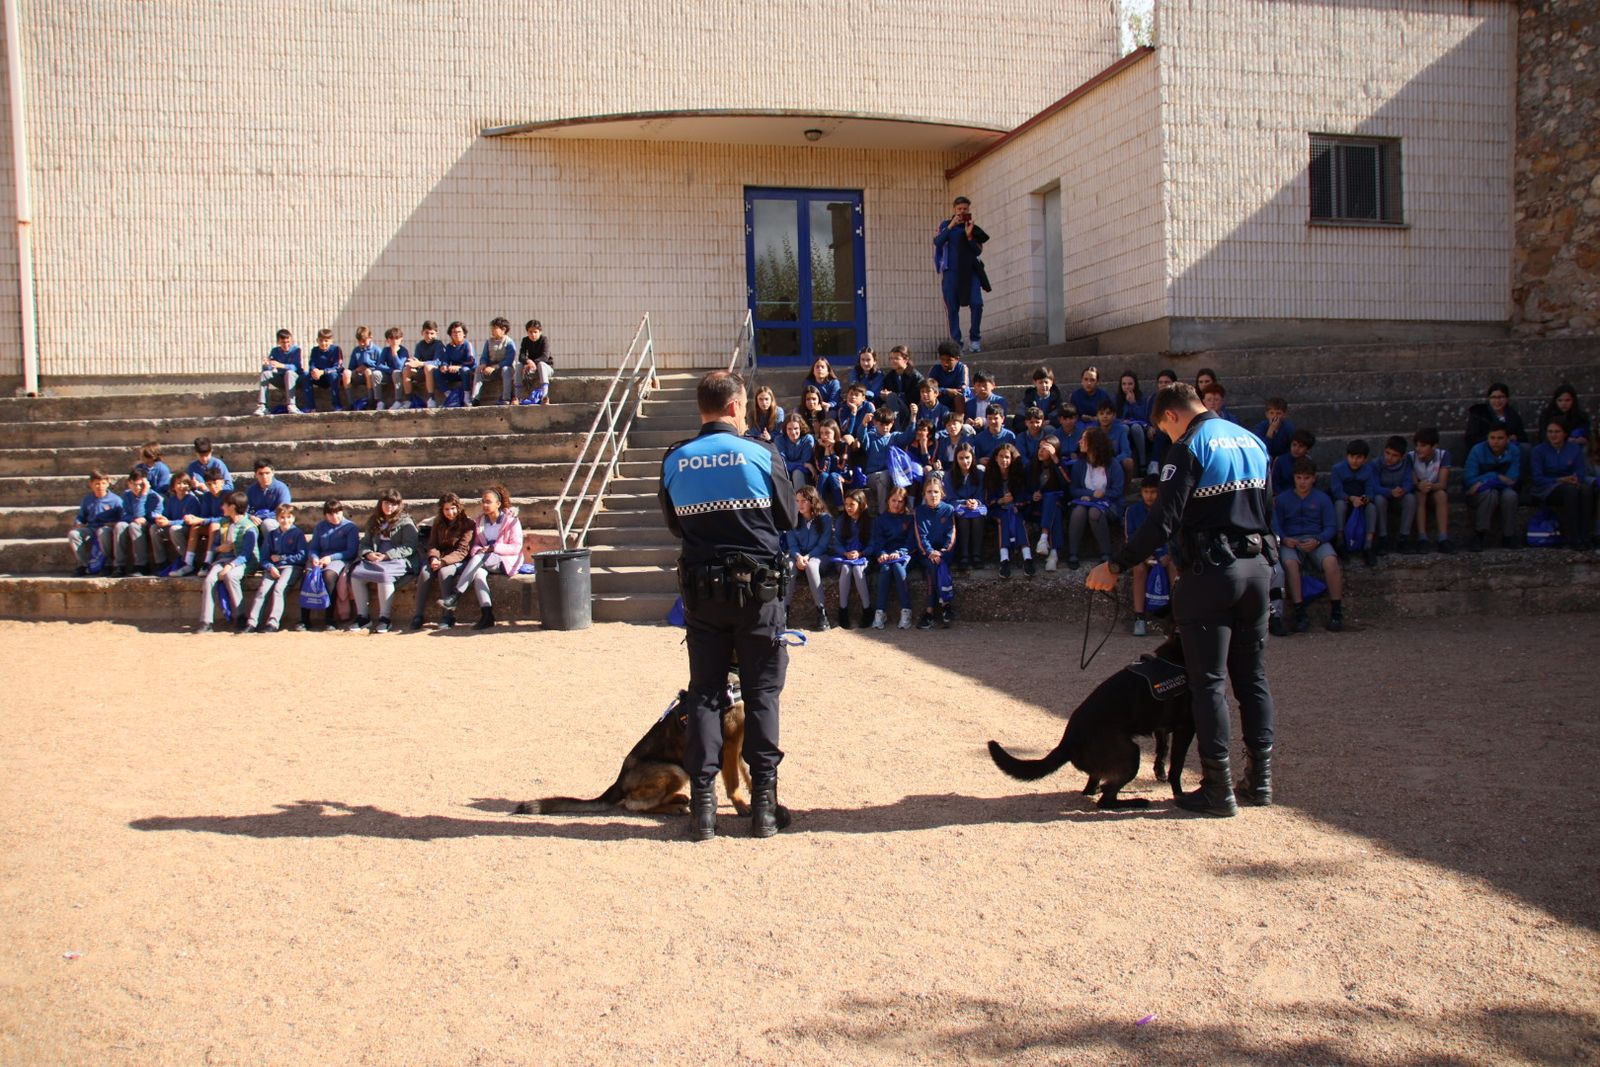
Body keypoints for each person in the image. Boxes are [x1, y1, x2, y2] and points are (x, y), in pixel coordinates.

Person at [1086, 382, 1277, 818]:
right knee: (1252, 677)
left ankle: (1218, 788)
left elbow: (1161, 522)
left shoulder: (1190, 446)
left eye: (1164, 430)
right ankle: (1260, 779)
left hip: (1211, 573)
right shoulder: (1252, 440)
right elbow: (1268, 511)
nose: (1167, 438)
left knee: (1207, 682)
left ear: (1171, 415)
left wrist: (1114, 566)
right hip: (1257, 568)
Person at [658, 370, 797, 840]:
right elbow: (788, 516)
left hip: (702, 597)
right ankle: (763, 807)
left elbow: (676, 526)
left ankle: (703, 810)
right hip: (758, 597)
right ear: (738, 406)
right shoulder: (762, 453)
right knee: (761, 696)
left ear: (701, 408)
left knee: (704, 695)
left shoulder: (675, 458)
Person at [1273, 458, 1344, 635]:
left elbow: (1330, 526)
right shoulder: (1282, 500)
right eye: (1299, 477)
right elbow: (1275, 525)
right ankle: (1299, 611)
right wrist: (1284, 538)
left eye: (1306, 478)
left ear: (1313, 479)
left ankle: (1336, 610)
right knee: (1290, 564)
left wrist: (1318, 540)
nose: (1302, 482)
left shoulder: (1322, 499)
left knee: (1331, 562)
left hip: (1316, 539)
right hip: (1292, 540)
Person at [441, 484, 524, 631]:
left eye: (488, 502)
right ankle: (487, 615)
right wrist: (480, 550)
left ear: (498, 504)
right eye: (483, 501)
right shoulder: (480, 522)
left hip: (505, 561)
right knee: (478, 574)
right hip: (484, 561)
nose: (484, 505)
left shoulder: (511, 521)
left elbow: (516, 547)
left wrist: (494, 548)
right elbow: (476, 545)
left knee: (479, 560)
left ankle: (455, 595)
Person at [348, 487, 419, 632]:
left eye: (393, 504)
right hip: (376, 557)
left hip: (399, 559)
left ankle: (384, 618)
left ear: (398, 505)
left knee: (384, 575)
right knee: (356, 574)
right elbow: (365, 542)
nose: (389, 507)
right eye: (386, 503)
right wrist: (368, 554)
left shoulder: (405, 522)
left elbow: (409, 547)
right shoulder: (374, 521)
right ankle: (363, 616)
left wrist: (387, 556)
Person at [410, 492, 475, 631]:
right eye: (446, 509)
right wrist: (433, 557)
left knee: (444, 573)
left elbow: (462, 551)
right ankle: (418, 614)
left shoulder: (468, 524)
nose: (450, 512)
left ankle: (448, 615)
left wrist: (443, 562)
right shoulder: (438, 522)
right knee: (425, 573)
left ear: (458, 507)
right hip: (439, 558)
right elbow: (433, 544)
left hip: (457, 559)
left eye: (453, 508)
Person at [933, 195, 989, 352]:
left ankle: (975, 339)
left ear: (969, 210)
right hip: (951, 273)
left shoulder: (972, 227)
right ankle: (957, 343)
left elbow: (977, 250)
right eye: (959, 209)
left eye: (965, 209)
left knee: (977, 304)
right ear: (954, 210)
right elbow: (937, 242)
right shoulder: (946, 225)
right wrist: (951, 225)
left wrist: (970, 235)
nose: (962, 212)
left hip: (970, 273)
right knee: (952, 308)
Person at [1125, 474, 1179, 637]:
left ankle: (1176, 617)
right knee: (1138, 569)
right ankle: (1139, 617)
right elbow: (1130, 538)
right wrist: (1143, 556)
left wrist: (1168, 555)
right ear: (1141, 492)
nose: (1149, 496)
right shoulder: (1133, 511)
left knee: (1174, 567)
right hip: (1143, 555)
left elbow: (1176, 536)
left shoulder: (1170, 509)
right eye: (1146, 492)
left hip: (1166, 554)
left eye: (1153, 492)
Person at [197, 490, 259, 632]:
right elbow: (214, 546)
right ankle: (206, 621)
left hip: (243, 562)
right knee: (209, 580)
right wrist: (220, 548)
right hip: (224, 560)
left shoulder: (249, 527)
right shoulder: (224, 523)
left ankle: (241, 615)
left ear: (232, 507)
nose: (222, 507)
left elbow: (246, 554)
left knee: (231, 576)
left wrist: (230, 566)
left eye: (225, 505)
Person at [1531, 420, 1595, 550]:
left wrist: (1574, 479)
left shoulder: (1574, 449)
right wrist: (1560, 480)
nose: (1553, 435)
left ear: (1565, 434)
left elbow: (1580, 472)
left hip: (1571, 483)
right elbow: (1538, 478)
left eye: (1557, 432)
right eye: (1550, 432)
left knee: (1586, 489)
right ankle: (1574, 537)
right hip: (1547, 488)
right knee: (1570, 491)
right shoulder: (1538, 451)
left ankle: (1586, 536)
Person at [1067, 427, 1124, 568]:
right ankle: (1072, 554)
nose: (1079, 442)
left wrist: (1102, 495)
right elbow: (1073, 489)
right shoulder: (1080, 464)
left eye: (1084, 440)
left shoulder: (1112, 464)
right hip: (1085, 501)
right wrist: (1091, 495)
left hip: (1109, 504)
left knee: (1094, 512)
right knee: (1079, 511)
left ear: (1094, 443)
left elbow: (1117, 490)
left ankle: (1106, 553)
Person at [246, 502, 307, 632]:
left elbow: (302, 556)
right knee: (263, 589)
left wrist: (283, 558)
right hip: (273, 568)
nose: (286, 520)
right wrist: (270, 567)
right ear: (277, 518)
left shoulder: (298, 534)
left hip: (291, 567)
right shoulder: (272, 535)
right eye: (282, 517)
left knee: (279, 588)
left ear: (293, 518)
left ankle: (273, 623)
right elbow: (264, 557)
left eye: (289, 517)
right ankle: (252, 622)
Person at [301, 499, 359, 630]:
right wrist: (315, 557)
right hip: (321, 558)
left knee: (329, 576)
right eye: (331, 514)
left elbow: (351, 551)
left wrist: (330, 558)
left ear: (341, 512)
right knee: (308, 575)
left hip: (340, 558)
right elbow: (314, 547)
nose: (335, 516)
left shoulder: (350, 527)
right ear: (325, 515)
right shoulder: (320, 527)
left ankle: (330, 618)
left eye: (337, 513)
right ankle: (304, 618)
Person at [1464, 426, 1521, 550]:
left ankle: (1509, 536)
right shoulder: (1477, 450)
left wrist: (1486, 480)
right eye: (1492, 438)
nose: (1495, 441)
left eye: (1500, 438)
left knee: (1511, 496)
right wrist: (1496, 477)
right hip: (1481, 494)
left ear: (1507, 439)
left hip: (1503, 490)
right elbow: (1469, 480)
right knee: (1490, 494)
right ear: (1487, 438)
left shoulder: (1514, 451)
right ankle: (1479, 534)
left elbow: (1512, 480)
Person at [786, 485, 835, 631]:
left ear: (812, 501)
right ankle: (784, 613)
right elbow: (792, 545)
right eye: (797, 501)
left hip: (820, 557)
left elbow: (823, 545)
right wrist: (798, 556)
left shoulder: (825, 519)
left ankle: (822, 613)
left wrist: (807, 557)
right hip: (798, 556)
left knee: (811, 565)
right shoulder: (793, 520)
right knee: (788, 566)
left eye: (803, 501)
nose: (799, 504)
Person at [867, 485, 915, 629]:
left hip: (904, 555)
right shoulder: (880, 520)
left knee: (898, 567)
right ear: (888, 500)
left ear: (905, 503)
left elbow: (911, 542)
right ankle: (880, 611)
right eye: (894, 500)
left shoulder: (909, 519)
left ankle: (906, 610)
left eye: (900, 501)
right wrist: (881, 553)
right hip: (887, 555)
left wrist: (900, 552)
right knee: (886, 569)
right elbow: (877, 541)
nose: (896, 504)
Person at [984, 443, 1033, 577]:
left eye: (1007, 457)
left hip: (1016, 509)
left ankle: (1027, 557)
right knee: (1004, 518)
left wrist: (1016, 504)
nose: (1004, 460)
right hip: (997, 510)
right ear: (995, 458)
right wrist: (1000, 501)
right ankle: (1004, 559)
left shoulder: (1018, 474)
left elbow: (1025, 496)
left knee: (1017, 519)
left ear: (1012, 459)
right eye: (1001, 456)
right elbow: (988, 500)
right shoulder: (990, 474)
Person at [913, 477, 957, 629]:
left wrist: (942, 553)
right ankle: (942, 607)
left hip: (944, 552)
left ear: (942, 493)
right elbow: (921, 536)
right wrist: (930, 552)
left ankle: (931, 612)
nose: (933, 495)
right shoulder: (919, 511)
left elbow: (951, 535)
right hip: (927, 553)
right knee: (932, 567)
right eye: (929, 492)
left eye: (936, 492)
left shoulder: (948, 510)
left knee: (939, 565)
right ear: (924, 494)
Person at [1329, 440, 1381, 566]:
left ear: (1365, 459)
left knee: (1372, 508)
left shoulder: (1368, 471)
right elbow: (1336, 491)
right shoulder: (1337, 469)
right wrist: (1351, 498)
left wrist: (1365, 499)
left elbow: (1370, 491)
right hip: (1345, 500)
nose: (1354, 460)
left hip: (1361, 503)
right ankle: (1340, 541)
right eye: (1351, 456)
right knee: (1339, 505)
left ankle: (1368, 546)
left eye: (1359, 457)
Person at [1408, 427, 1454, 553]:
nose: (1418, 449)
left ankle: (1443, 538)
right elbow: (1412, 481)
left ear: (1434, 446)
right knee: (1420, 495)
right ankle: (1422, 538)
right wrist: (1419, 486)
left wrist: (1429, 486)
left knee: (1441, 496)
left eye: (1423, 445)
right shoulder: (1410, 457)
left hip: (1435, 487)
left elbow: (1442, 483)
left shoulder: (1444, 455)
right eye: (1417, 445)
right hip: (1419, 490)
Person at [68, 470, 122, 576]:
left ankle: (108, 564)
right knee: (73, 534)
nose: (100, 486)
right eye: (97, 483)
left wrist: (114, 524)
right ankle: (82, 565)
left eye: (103, 483)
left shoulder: (116, 500)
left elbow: (123, 518)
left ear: (108, 484)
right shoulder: (87, 499)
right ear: (91, 484)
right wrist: (78, 523)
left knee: (103, 532)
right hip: (91, 528)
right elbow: (81, 516)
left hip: (107, 529)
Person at [832, 489, 872, 629]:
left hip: (863, 557)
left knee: (858, 569)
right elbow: (836, 542)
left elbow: (873, 544)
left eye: (852, 504)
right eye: (846, 504)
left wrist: (861, 553)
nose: (848, 507)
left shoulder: (869, 521)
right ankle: (843, 610)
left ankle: (867, 609)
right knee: (845, 568)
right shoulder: (842, 520)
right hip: (844, 557)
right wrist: (845, 553)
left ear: (860, 504)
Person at [112, 465, 162, 577]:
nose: (138, 487)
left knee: (134, 526)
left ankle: (141, 565)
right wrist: (135, 518)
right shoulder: (127, 495)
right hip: (134, 521)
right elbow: (124, 515)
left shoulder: (154, 497)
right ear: (129, 483)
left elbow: (148, 517)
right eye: (134, 484)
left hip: (150, 524)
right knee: (120, 525)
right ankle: (119, 565)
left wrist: (143, 495)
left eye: (141, 484)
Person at [945, 442, 987, 572]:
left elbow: (981, 495)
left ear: (972, 458)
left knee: (977, 517)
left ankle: (976, 555)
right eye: (961, 458)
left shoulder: (979, 473)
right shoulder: (949, 475)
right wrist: (964, 502)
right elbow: (950, 498)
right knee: (963, 517)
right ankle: (963, 555)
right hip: (958, 508)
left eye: (967, 457)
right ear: (956, 459)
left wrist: (976, 502)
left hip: (976, 507)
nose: (965, 461)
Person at [1029, 436, 1067, 571]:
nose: (1041, 451)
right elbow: (1028, 488)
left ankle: (1044, 538)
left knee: (1053, 500)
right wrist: (1033, 495)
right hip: (1038, 505)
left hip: (1058, 502)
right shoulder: (1033, 466)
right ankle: (1053, 554)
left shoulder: (1060, 465)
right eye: (1040, 447)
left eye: (1045, 449)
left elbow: (1066, 484)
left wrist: (1056, 460)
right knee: (1052, 502)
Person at [1374, 436, 1417, 554]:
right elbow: (1374, 486)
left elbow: (1409, 481)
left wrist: (1403, 490)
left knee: (1411, 498)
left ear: (1402, 456)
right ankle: (1383, 538)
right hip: (1384, 495)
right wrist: (1389, 492)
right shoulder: (1376, 464)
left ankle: (1404, 538)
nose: (1389, 458)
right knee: (1378, 499)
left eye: (1394, 455)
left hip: (1400, 495)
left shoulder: (1407, 462)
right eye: (1387, 453)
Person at [151, 472, 199, 574]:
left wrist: (169, 522)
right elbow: (167, 515)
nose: (182, 486)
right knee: (154, 528)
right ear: (173, 486)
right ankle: (161, 562)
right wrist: (161, 519)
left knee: (174, 529)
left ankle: (187, 561)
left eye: (185, 483)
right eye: (178, 483)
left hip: (186, 528)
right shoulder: (171, 500)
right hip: (171, 525)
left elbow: (189, 520)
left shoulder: (192, 499)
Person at [1464, 382, 1527, 450]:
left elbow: (1523, 438)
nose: (1497, 401)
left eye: (1501, 397)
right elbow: (1471, 439)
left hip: (1508, 450)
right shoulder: (1479, 414)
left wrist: (1514, 438)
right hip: (1484, 450)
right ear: (1489, 399)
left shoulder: (1513, 416)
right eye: (1493, 397)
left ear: (1507, 399)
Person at [425, 321, 475, 407]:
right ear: (450, 334)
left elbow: (471, 361)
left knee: (465, 370)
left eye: (459, 332)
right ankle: (450, 395)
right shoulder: (449, 346)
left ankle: (467, 397)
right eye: (454, 332)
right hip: (454, 372)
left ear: (464, 334)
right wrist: (444, 366)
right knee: (437, 371)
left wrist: (459, 366)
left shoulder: (467, 345)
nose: (457, 334)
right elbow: (445, 360)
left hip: (466, 371)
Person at [255, 329, 303, 416]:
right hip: (281, 378)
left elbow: (296, 367)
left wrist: (282, 365)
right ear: (278, 342)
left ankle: (291, 405)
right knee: (265, 373)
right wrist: (266, 364)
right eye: (283, 342)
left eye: (288, 342)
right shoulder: (275, 351)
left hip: (295, 379)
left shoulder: (296, 350)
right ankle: (262, 406)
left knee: (289, 373)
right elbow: (270, 367)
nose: (286, 345)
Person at [472, 317, 518, 406]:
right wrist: (483, 364)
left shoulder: (509, 342)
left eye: (494, 328)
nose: (492, 331)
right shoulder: (489, 342)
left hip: (504, 369)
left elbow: (509, 360)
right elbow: (484, 356)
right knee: (478, 370)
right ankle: (475, 398)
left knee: (506, 370)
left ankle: (506, 398)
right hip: (490, 370)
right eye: (491, 329)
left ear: (503, 329)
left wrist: (495, 367)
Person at [400, 321, 442, 409]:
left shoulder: (439, 344)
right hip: (422, 372)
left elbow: (437, 362)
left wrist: (420, 363)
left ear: (436, 334)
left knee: (428, 367)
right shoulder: (420, 345)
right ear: (422, 333)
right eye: (426, 333)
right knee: (406, 369)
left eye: (432, 333)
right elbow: (417, 360)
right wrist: (412, 362)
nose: (429, 336)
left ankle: (431, 398)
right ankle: (408, 399)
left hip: (435, 373)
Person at [1115, 371, 1151, 472]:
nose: (1127, 387)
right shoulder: (1116, 399)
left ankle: (1143, 463)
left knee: (1136, 427)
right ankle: (1122, 460)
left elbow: (1144, 417)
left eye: (1130, 384)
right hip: (1123, 426)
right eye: (1124, 384)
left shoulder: (1142, 399)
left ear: (1135, 385)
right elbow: (1114, 417)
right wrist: (1122, 420)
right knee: (1124, 428)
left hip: (1139, 427)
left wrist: (1133, 403)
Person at [344, 326, 387, 410]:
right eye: (360, 341)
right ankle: (350, 402)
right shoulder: (356, 350)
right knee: (346, 373)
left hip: (370, 375)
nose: (362, 344)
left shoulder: (377, 350)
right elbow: (351, 367)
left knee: (368, 372)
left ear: (370, 338)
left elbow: (381, 366)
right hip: (359, 375)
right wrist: (357, 369)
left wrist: (369, 368)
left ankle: (371, 401)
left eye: (364, 341)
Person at [303, 328, 345, 411]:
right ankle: (310, 407)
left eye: (326, 340)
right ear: (317, 340)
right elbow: (312, 364)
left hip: (331, 376)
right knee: (306, 375)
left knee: (333, 376)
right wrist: (314, 370)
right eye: (321, 340)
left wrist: (323, 371)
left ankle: (337, 405)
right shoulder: (315, 350)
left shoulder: (336, 349)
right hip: (319, 377)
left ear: (331, 341)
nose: (323, 343)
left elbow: (337, 367)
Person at [246, 459, 291, 534]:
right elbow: (244, 510)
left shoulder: (281, 488)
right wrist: (250, 517)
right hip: (255, 520)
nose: (264, 476)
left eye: (267, 473)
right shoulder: (251, 490)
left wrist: (261, 517)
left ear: (273, 473)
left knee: (267, 524)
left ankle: (275, 545)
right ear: (256, 475)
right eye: (261, 474)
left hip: (275, 520)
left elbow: (283, 510)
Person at [517, 320, 555, 405]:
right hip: (532, 369)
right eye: (530, 332)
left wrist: (533, 363)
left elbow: (545, 357)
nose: (533, 334)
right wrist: (528, 361)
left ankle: (545, 397)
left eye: (535, 332)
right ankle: (517, 396)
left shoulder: (544, 340)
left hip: (546, 368)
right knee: (519, 365)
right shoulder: (525, 340)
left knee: (541, 364)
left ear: (540, 332)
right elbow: (521, 356)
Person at [928, 341, 971, 416]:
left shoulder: (962, 368)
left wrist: (958, 391)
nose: (945, 363)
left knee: (959, 396)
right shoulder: (935, 369)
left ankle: (959, 422)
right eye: (942, 359)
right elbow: (929, 387)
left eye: (949, 360)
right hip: (940, 398)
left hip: (956, 399)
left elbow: (963, 388)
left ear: (957, 359)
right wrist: (946, 391)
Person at [1068, 367, 1114, 435]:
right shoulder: (1076, 395)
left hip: (1098, 422)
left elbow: (1109, 414)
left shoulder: (1103, 395)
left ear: (1097, 382)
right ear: (1082, 381)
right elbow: (1072, 414)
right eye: (1086, 379)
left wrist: (1093, 418)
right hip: (1080, 422)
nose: (1088, 383)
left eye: (1092, 380)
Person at [881, 346, 923, 418]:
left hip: (911, 409)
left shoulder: (916, 377)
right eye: (891, 358)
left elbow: (914, 398)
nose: (893, 361)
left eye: (896, 358)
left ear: (906, 360)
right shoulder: (889, 377)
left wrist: (893, 395)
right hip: (894, 408)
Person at [1270, 429, 1315, 496]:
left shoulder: (1309, 462)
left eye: (1301, 446)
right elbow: (1275, 484)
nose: (1296, 449)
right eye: (1294, 445)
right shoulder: (1280, 461)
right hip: (1283, 496)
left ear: (1307, 449)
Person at [776, 412, 814, 488]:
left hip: (803, 473)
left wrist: (803, 464)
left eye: (796, 428)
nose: (793, 432)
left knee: (797, 473)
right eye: (789, 429)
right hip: (785, 471)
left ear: (801, 428)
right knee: (781, 474)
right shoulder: (779, 440)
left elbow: (805, 461)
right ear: (785, 429)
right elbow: (782, 463)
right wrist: (803, 464)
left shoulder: (807, 439)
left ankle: (800, 499)